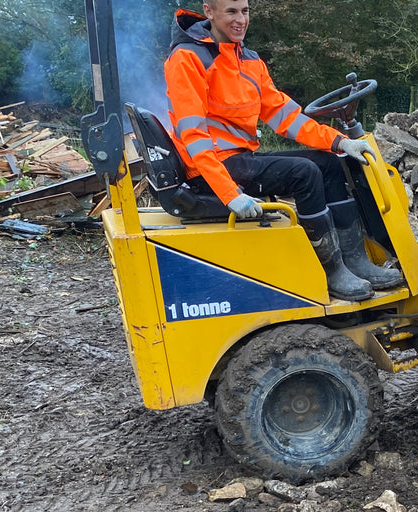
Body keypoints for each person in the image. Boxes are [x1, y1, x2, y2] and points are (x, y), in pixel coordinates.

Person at [164, 0, 401, 300]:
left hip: (239, 159)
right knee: (304, 173)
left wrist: (340, 142)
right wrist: (230, 194)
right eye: (231, 12)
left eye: (245, 11)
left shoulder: (248, 60)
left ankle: (356, 261)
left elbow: (285, 116)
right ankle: (331, 271)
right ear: (209, 11)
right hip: (211, 169)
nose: (241, 20)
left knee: (329, 163)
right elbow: (193, 136)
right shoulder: (188, 58)